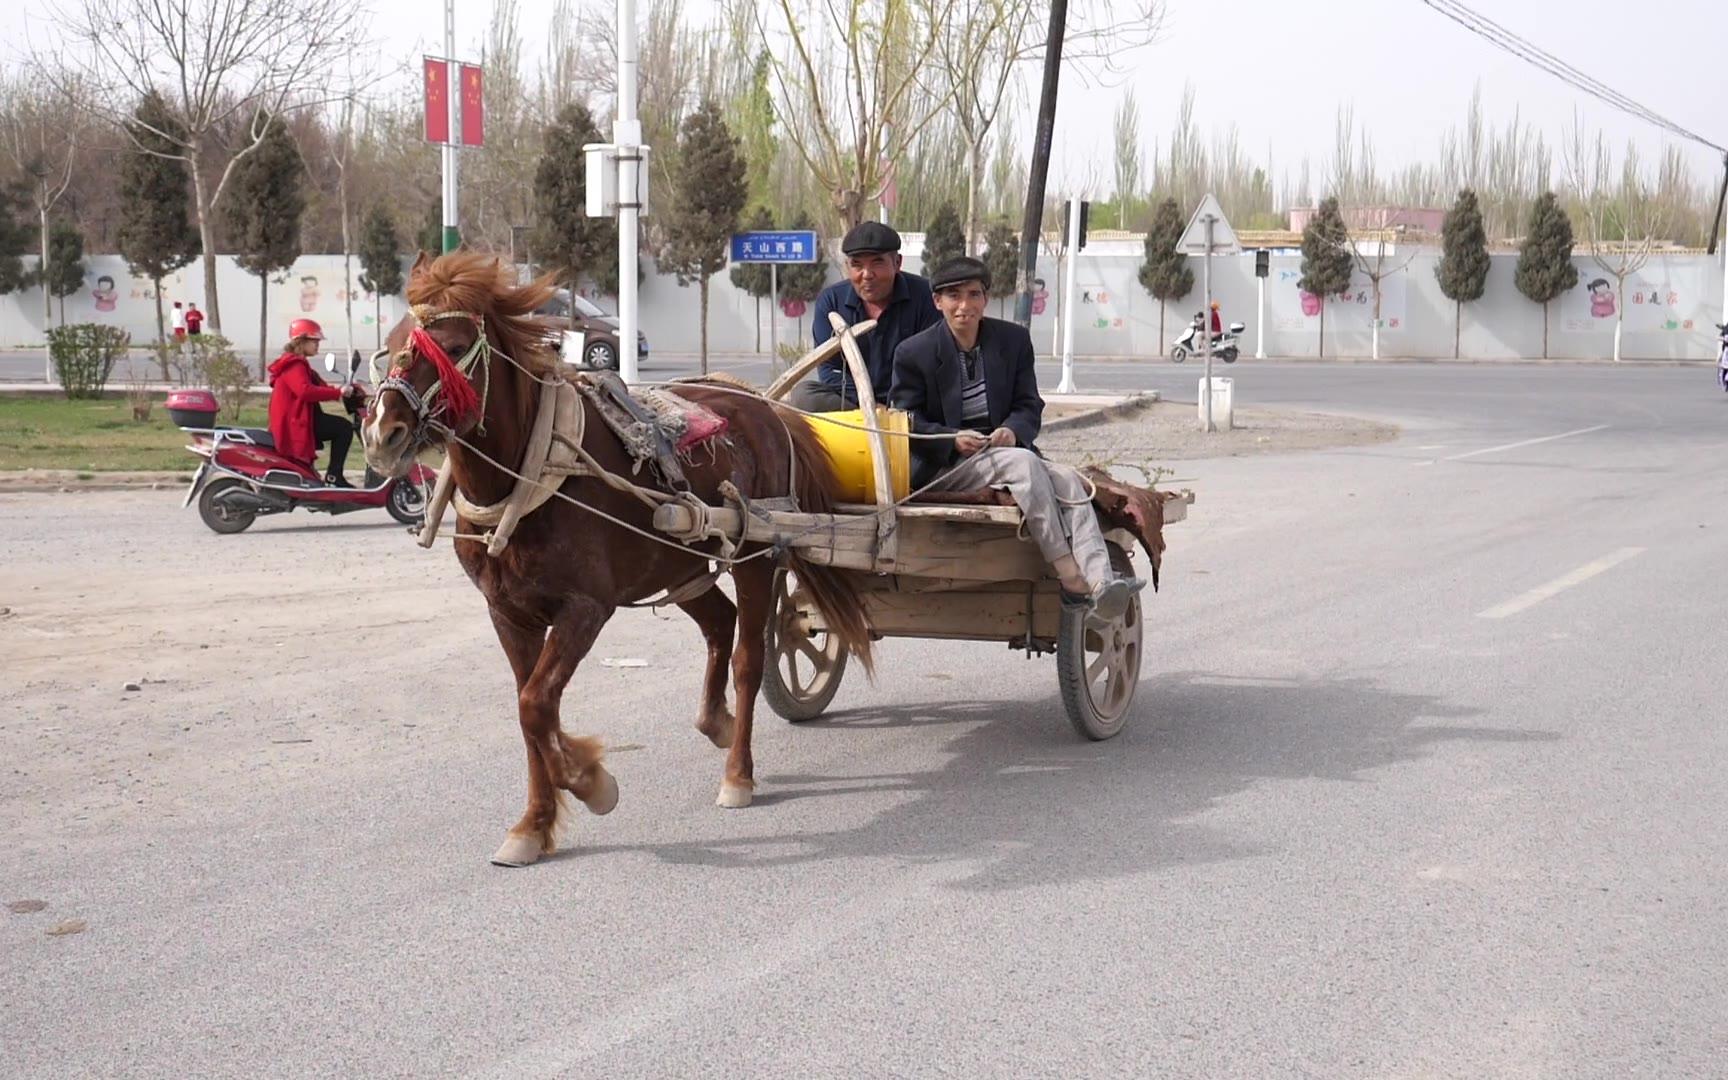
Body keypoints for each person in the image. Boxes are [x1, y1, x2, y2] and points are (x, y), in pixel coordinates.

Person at [890, 257, 1146, 618]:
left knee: (1069, 482)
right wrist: (951, 438)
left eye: (973, 295)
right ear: (937, 302)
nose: (964, 305)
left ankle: (1103, 584)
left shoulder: (1011, 341)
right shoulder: (913, 352)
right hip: (946, 464)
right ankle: (1069, 575)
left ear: (986, 299)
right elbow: (905, 421)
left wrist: (1012, 430)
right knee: (1025, 464)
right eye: (953, 296)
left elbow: (1029, 404)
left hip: (1002, 452)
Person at [788, 221, 940, 413]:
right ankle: (883, 423)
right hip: (856, 402)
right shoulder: (831, 301)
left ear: (897, 263)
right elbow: (829, 370)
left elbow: (932, 362)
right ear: (846, 267)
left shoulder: (926, 297)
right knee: (804, 395)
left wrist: (900, 406)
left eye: (877, 263)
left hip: (909, 402)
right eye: (857, 265)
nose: (867, 275)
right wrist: (873, 406)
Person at [267, 318, 359, 487]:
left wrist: (340, 389)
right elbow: (305, 391)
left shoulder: (298, 363)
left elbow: (318, 385)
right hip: (294, 423)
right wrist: (338, 392)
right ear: (301, 341)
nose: (317, 345)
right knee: (343, 428)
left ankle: (332, 476)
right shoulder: (294, 364)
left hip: (299, 418)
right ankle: (334, 477)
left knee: (340, 427)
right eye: (314, 341)